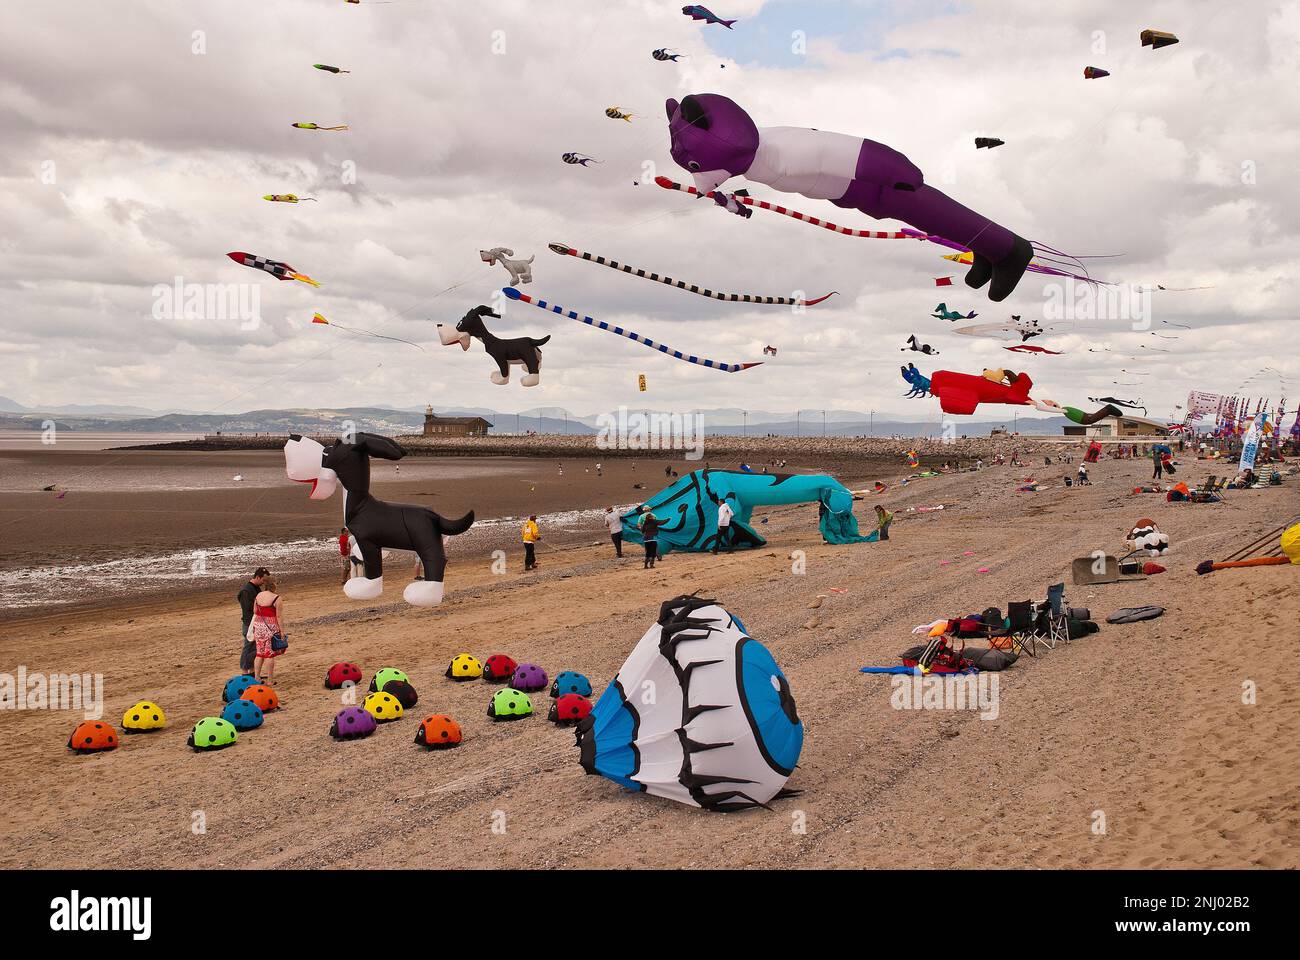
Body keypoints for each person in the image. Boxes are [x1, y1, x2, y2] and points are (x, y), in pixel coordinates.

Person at [247, 575, 287, 683]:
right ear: (274, 585)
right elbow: (278, 616)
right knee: (270, 654)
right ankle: (270, 680)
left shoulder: (259, 595)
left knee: (259, 653)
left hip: (258, 626)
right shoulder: (277, 598)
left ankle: (257, 677)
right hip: (270, 627)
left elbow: (255, 611)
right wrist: (282, 631)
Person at [237, 567, 269, 675]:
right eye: (263, 580)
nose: (264, 583)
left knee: (255, 648)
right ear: (257, 577)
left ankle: (251, 671)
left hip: (255, 623)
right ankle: (244, 672)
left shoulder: (255, 588)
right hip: (249, 624)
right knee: (248, 647)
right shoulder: (246, 591)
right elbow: (247, 611)